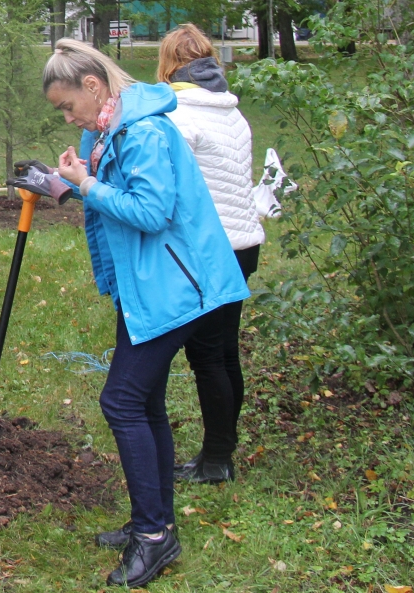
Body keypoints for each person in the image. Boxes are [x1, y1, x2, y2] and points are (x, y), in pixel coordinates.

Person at [43, 38, 250, 587]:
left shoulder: (145, 131)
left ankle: (155, 537)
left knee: (123, 400)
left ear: (93, 86)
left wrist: (86, 184)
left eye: (68, 105)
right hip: (151, 283)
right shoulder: (117, 127)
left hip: (176, 287)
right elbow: (121, 193)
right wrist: (76, 180)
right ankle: (151, 521)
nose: (68, 115)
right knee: (146, 400)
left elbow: (152, 212)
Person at [156, 24, 264, 485]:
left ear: (168, 64)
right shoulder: (232, 112)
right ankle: (220, 451)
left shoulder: (180, 115)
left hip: (208, 248)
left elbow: (169, 189)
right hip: (243, 244)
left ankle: (218, 458)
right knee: (225, 352)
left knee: (207, 357)